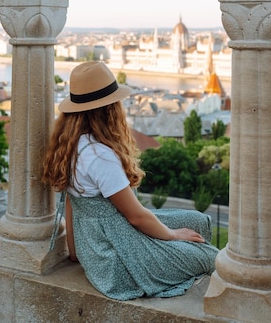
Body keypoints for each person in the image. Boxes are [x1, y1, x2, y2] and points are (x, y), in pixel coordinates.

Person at [42, 61, 219, 300]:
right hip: (116, 256)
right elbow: (135, 216)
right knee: (210, 257)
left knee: (196, 221)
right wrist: (173, 235)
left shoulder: (73, 145)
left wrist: (76, 253)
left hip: (97, 246)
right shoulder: (99, 156)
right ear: (109, 108)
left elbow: (71, 204)